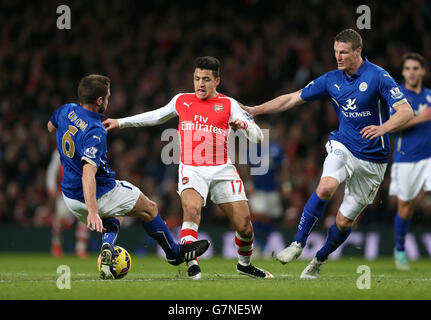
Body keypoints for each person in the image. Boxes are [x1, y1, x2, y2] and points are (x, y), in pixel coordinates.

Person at [241, 29, 413, 279]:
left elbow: (406, 111)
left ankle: (319, 259)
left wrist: (382, 128)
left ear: (358, 51)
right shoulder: (331, 79)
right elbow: (292, 99)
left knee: (343, 222)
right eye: (335, 52)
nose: (338, 57)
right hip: (343, 145)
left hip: (374, 159)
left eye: (343, 52)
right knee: (325, 188)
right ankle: (298, 243)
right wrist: (257, 110)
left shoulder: (378, 77)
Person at [103, 56, 274, 279]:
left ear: (217, 81)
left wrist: (243, 125)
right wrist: (120, 122)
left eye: (205, 79)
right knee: (191, 211)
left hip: (222, 168)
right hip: (192, 169)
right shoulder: (182, 100)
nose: (200, 84)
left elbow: (259, 137)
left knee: (244, 226)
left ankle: (244, 264)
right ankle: (191, 263)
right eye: (196, 79)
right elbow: (155, 116)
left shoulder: (229, 104)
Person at [47, 74, 210, 280]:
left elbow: (50, 127)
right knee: (149, 209)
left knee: (114, 214)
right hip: (98, 193)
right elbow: (88, 173)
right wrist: (92, 211)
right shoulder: (96, 131)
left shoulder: (65, 110)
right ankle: (174, 254)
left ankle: (108, 244)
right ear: (99, 101)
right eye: (107, 96)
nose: (108, 100)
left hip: (69, 197)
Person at [389, 52, 431, 270]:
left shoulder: (430, 96)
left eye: (416, 68)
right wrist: (419, 118)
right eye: (407, 69)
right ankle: (400, 249)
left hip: (429, 157)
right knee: (405, 206)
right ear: (403, 72)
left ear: (423, 71)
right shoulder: (398, 97)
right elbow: (392, 126)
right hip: (406, 159)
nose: (411, 72)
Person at [46, 149, 89, 259]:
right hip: (64, 193)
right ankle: (56, 246)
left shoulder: (84, 150)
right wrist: (51, 187)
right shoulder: (59, 151)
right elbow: (52, 171)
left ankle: (81, 249)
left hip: (81, 193)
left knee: (84, 221)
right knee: (59, 220)